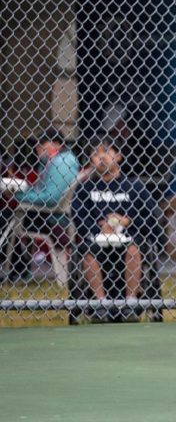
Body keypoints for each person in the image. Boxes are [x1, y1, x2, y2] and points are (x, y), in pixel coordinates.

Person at [71, 137, 157, 322]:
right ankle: (100, 304)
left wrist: (127, 221)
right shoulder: (85, 189)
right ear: (90, 160)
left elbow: (153, 217)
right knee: (86, 249)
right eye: (95, 154)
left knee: (134, 248)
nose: (101, 157)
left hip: (128, 239)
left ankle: (131, 303)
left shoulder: (134, 187)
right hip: (97, 240)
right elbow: (79, 217)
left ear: (118, 156)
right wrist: (99, 229)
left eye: (106, 151)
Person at [4, 129, 80, 281]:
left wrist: (19, 196)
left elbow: (50, 198)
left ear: (56, 144)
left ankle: (15, 269)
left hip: (52, 217)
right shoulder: (58, 160)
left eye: (41, 145)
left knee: (5, 218)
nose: (37, 149)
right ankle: (17, 268)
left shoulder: (61, 162)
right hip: (50, 213)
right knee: (7, 217)